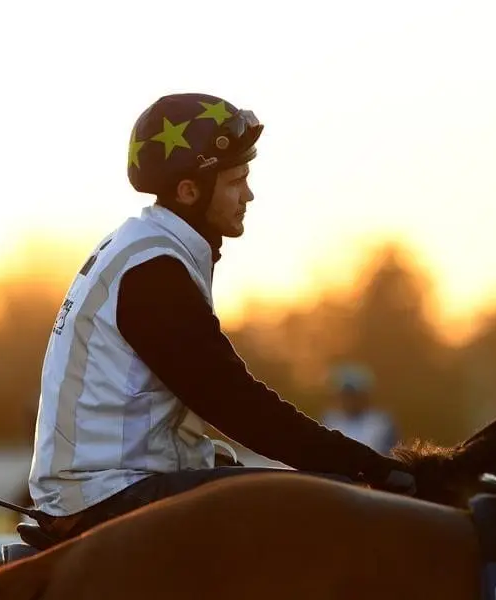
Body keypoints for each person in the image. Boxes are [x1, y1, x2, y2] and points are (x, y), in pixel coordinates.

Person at [27, 93, 417, 544]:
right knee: (329, 503)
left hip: (107, 488)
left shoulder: (146, 247)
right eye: (236, 181)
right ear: (189, 191)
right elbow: (236, 403)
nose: (248, 194)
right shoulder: (155, 272)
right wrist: (365, 465)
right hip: (108, 496)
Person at [322, 364, 400, 455]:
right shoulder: (330, 420)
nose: (348, 399)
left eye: (353, 394)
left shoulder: (382, 423)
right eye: (345, 394)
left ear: (364, 395)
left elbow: (390, 456)